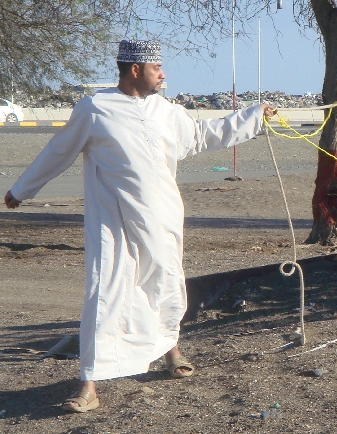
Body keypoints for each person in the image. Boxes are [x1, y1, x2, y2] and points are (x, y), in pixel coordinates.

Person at [4, 40, 276, 413]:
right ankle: (89, 385)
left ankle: (170, 351)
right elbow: (58, 151)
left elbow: (202, 135)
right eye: (156, 68)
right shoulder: (95, 109)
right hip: (113, 222)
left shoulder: (166, 111)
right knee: (105, 294)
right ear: (135, 69)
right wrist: (22, 189)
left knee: (164, 282)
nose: (163, 75)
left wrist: (255, 115)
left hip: (163, 216)